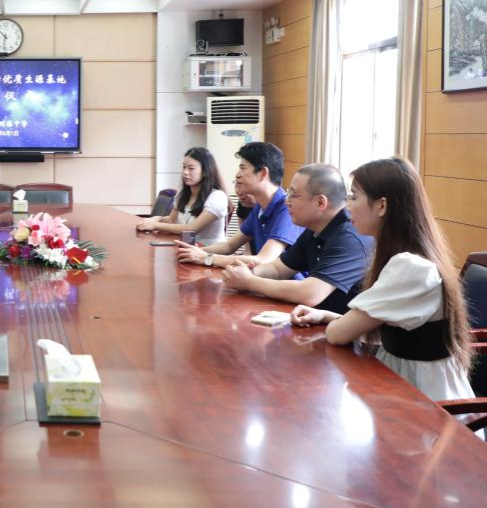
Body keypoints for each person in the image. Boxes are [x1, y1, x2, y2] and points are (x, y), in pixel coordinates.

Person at [290, 158, 473, 401]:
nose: (348, 206)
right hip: (399, 386)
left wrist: (335, 323)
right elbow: (380, 329)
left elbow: (337, 335)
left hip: (427, 403)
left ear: (382, 205)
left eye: (354, 197)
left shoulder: (410, 267)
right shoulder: (406, 257)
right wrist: (325, 316)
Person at [221, 163, 373, 314]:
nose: (287, 201)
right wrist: (246, 273)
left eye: (293, 195)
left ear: (320, 202)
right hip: (313, 319)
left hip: (343, 327)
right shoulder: (315, 229)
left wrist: (249, 281)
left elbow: (311, 293)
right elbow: (278, 269)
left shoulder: (349, 237)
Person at [176, 142, 303, 269]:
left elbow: (264, 259)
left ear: (263, 173)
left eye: (243, 168)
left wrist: (206, 258)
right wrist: (195, 251)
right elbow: (229, 246)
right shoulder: (259, 208)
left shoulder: (286, 208)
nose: (237, 175)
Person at [136, 146, 229, 245]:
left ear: (205, 171)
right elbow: (172, 220)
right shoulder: (183, 193)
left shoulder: (217, 197)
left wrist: (155, 225)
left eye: (191, 168)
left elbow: (192, 229)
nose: (185, 172)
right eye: (184, 167)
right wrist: (158, 219)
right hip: (187, 247)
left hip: (209, 251)